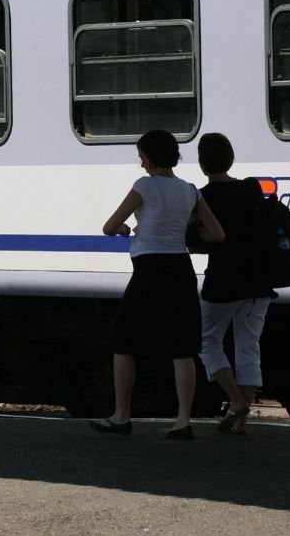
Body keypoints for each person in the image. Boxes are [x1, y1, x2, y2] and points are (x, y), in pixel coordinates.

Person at [92, 129, 224, 440]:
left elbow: (109, 226)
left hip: (149, 270)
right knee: (182, 348)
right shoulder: (190, 190)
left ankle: (121, 416)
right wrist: (186, 229)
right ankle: (183, 421)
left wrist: (125, 230)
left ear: (151, 159)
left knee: (123, 342)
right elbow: (217, 235)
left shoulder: (145, 185)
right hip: (180, 269)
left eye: (141, 157)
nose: (141, 163)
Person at [195, 132, 276, 435]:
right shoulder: (250, 188)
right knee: (248, 347)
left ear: (202, 163)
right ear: (230, 158)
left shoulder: (202, 197)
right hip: (259, 280)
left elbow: (197, 242)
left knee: (207, 341)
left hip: (223, 282)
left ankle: (236, 401)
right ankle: (241, 422)